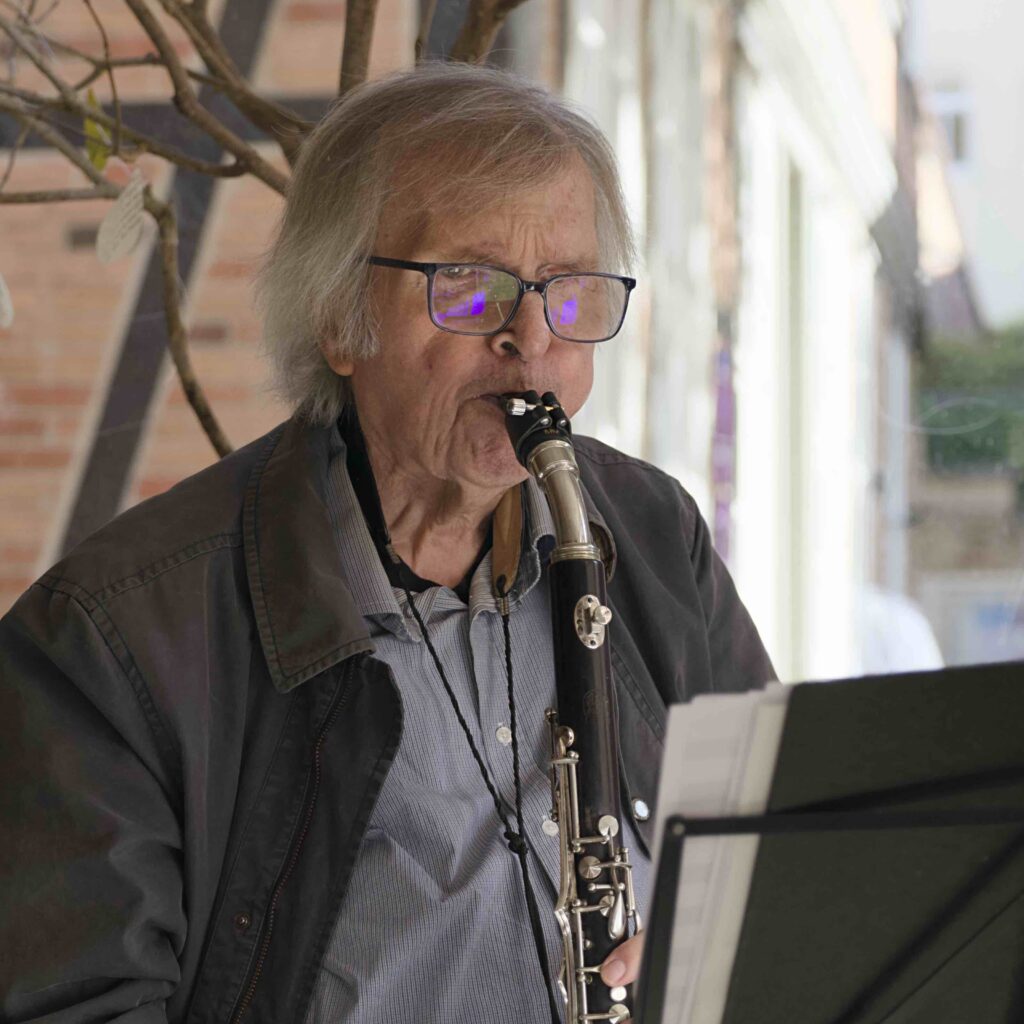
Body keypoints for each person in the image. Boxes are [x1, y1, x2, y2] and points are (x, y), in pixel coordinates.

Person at [0, 63, 774, 1022]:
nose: (531, 339)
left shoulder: (653, 534)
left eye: (570, 292)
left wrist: (734, 955)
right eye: (470, 287)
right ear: (340, 317)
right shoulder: (109, 644)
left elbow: (786, 859)